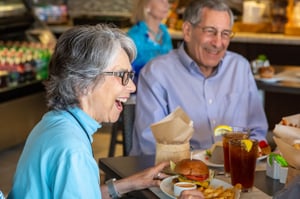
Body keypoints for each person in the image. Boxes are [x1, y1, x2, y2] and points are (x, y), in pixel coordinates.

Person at [7, 24, 204, 199]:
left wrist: (128, 184)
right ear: (81, 84)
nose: (132, 87)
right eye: (121, 76)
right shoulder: (73, 151)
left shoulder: (54, 123)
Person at [130, 0, 268, 155]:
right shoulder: (156, 73)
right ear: (188, 31)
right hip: (178, 175)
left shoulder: (240, 67)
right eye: (210, 31)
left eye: (225, 34)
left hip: (236, 171)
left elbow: (257, 131)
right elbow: (151, 145)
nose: (218, 43)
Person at [127, 0, 173, 83]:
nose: (166, 4)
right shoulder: (134, 36)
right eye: (161, 1)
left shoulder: (165, 32)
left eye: (168, 1)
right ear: (147, 6)